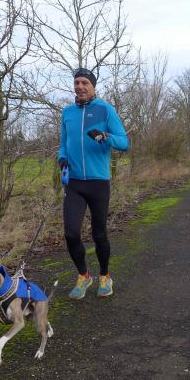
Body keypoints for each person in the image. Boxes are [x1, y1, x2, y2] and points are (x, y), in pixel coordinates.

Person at [58, 67, 130, 299]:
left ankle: (105, 276)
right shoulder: (67, 112)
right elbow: (63, 144)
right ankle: (84, 275)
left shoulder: (105, 109)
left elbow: (124, 143)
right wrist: (62, 160)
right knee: (71, 233)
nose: (80, 86)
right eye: (77, 83)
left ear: (93, 86)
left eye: (84, 83)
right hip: (74, 182)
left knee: (99, 234)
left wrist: (105, 137)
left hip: (98, 182)